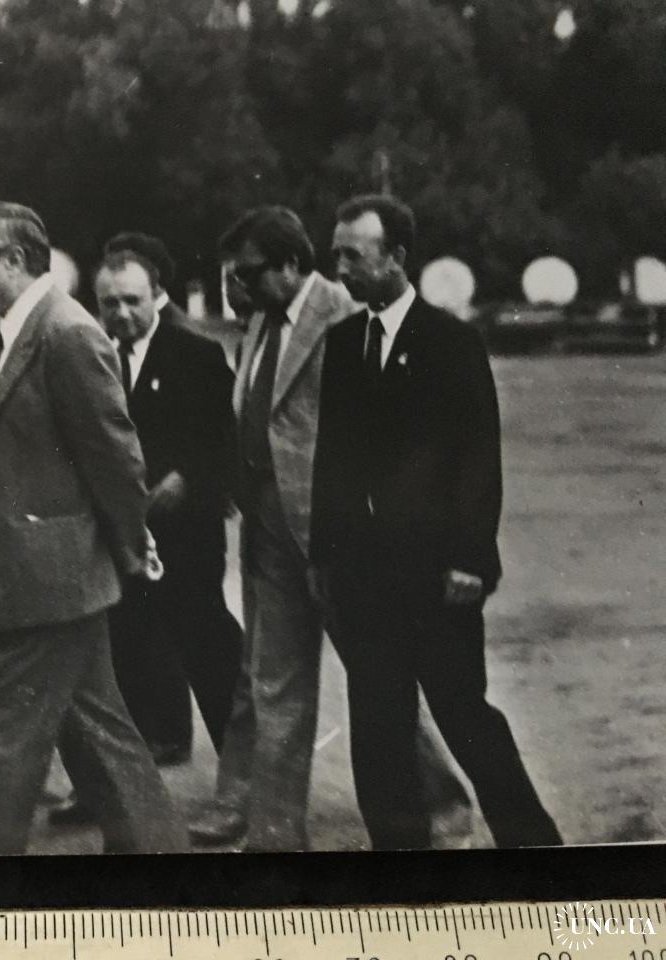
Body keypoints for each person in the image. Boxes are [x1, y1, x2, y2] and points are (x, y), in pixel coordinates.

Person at [192, 206, 473, 851]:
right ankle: (276, 833)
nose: (238, 288)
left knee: (377, 677)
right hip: (268, 529)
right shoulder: (259, 320)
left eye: (249, 273)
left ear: (292, 265)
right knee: (274, 682)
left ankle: (442, 801)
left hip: (338, 536)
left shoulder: (347, 315)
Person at [311, 193, 562, 849]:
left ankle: (535, 847)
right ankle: (401, 856)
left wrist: (471, 560)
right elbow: (331, 461)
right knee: (377, 723)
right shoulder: (342, 343)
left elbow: (478, 458)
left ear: (396, 256)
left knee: (463, 714)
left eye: (354, 255)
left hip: (439, 576)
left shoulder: (452, 342)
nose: (341, 269)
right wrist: (324, 557)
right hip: (365, 577)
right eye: (337, 255)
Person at [0, 201, 188, 855]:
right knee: (98, 730)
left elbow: (115, 456)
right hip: (50, 578)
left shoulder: (66, 332)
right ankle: (157, 853)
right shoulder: (20, 329)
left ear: (16, 260)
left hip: (50, 583)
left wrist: (132, 547)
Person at [49, 249, 242, 829]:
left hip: (185, 536)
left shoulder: (196, 354)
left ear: (157, 294)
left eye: (133, 301)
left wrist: (189, 476)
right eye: (110, 303)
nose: (122, 313)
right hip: (116, 535)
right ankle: (114, 793)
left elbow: (225, 437)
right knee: (118, 662)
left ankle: (242, 790)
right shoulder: (90, 353)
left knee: (210, 654)